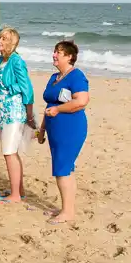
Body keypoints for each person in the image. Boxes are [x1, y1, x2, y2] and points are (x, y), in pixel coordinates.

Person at [38, 41, 89, 224]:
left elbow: (82, 101)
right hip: (54, 128)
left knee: (62, 168)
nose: (54, 55)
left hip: (70, 127)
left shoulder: (76, 76)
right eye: (54, 51)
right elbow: (49, 105)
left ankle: (68, 213)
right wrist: (42, 129)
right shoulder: (54, 77)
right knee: (66, 168)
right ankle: (66, 208)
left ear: (69, 57)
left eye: (58, 52)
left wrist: (59, 110)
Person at [0, 28, 36, 205]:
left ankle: (16, 195)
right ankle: (19, 190)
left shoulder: (17, 61)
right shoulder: (0, 60)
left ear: (12, 42)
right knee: (10, 152)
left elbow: (28, 90)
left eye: (4, 39)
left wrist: (30, 116)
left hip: (14, 111)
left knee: (9, 152)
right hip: (3, 110)